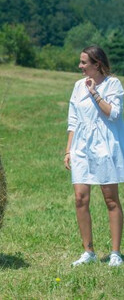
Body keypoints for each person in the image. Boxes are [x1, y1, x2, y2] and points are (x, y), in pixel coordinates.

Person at [64, 45, 124, 267]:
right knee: (80, 198)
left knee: (110, 199)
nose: (80, 66)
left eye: (83, 63)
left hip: (105, 147)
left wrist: (94, 93)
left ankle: (116, 253)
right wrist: (69, 149)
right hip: (81, 147)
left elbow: (114, 113)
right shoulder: (77, 86)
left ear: (96, 64)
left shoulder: (113, 84)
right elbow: (73, 120)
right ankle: (88, 252)